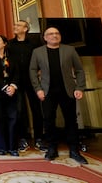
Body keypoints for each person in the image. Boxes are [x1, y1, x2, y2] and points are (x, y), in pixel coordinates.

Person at [29, 27, 88, 164]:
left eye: (57, 33)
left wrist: (80, 87)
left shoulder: (70, 50)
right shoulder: (37, 52)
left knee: (71, 121)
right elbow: (32, 71)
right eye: (51, 34)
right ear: (45, 37)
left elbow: (79, 70)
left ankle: (74, 150)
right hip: (47, 91)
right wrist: (38, 89)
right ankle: (52, 148)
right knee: (49, 120)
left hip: (67, 91)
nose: (54, 36)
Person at [8, 20, 46, 152]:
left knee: (36, 109)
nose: (15, 26)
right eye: (15, 24)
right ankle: (22, 138)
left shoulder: (34, 44)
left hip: (32, 80)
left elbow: (41, 59)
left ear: (25, 29)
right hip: (17, 81)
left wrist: (40, 71)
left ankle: (39, 139)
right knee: (19, 110)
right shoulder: (10, 44)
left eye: (18, 25)